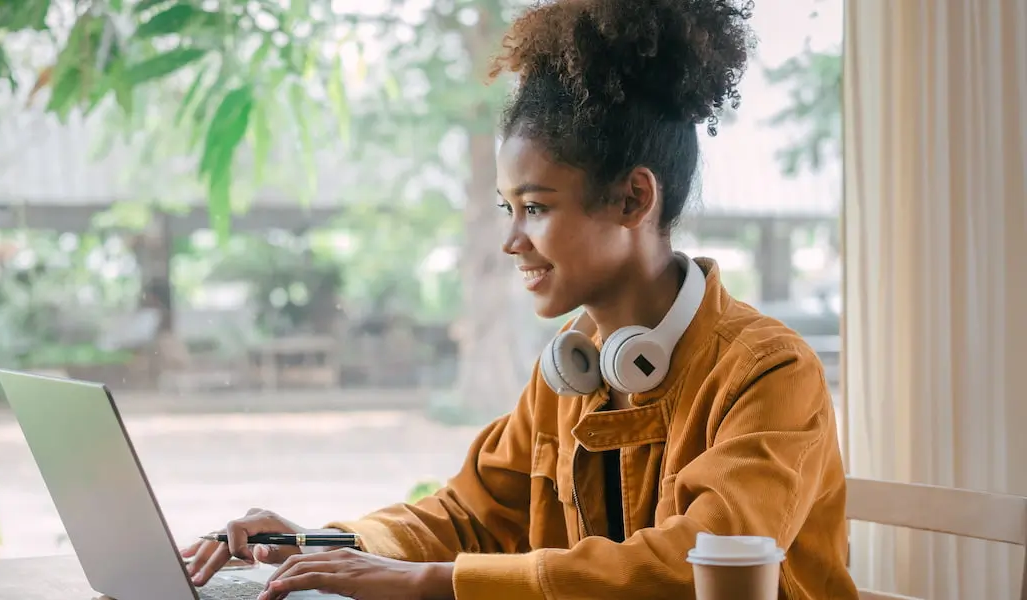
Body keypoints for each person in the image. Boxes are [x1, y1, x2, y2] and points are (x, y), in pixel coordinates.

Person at [184, 0, 858, 598]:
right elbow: (468, 514)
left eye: (534, 208)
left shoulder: (771, 371)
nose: (511, 240)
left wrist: (432, 583)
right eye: (507, 207)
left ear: (632, 199)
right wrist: (327, 543)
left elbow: (695, 561)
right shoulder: (568, 372)